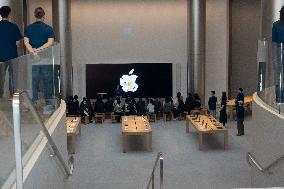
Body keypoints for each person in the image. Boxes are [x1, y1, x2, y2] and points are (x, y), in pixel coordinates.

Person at [24, 7, 55, 114]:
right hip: (46, 58)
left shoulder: (29, 28)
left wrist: (33, 52)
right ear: (43, 16)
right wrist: (39, 50)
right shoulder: (48, 28)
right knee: (47, 83)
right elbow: (50, 42)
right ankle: (48, 106)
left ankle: (33, 104)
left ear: (34, 15)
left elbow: (26, 42)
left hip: (33, 59)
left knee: (34, 83)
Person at [0, 6, 22, 98]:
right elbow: (18, 43)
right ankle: (13, 94)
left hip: (0, 56)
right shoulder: (13, 26)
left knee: (0, 76)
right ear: (9, 14)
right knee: (13, 77)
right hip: (12, 55)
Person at [272, 6, 284, 103]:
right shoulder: (276, 24)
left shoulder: (276, 24)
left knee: (279, 74)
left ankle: (280, 97)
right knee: (279, 74)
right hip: (279, 50)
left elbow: (274, 40)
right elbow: (274, 40)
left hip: (279, 50)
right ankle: (279, 97)